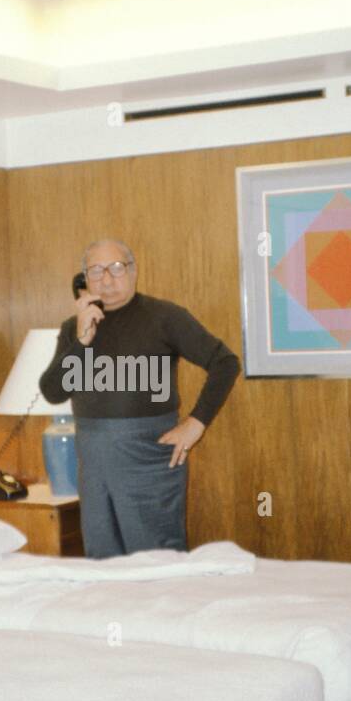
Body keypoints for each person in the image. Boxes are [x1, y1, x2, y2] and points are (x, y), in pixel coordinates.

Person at [39, 239, 239, 557]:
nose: (107, 279)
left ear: (133, 271)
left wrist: (195, 424)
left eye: (117, 268)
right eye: (96, 271)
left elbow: (225, 363)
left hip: (150, 459)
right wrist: (81, 341)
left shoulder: (164, 317)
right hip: (93, 463)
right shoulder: (74, 328)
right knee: (103, 561)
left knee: (156, 561)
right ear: (84, 281)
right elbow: (52, 392)